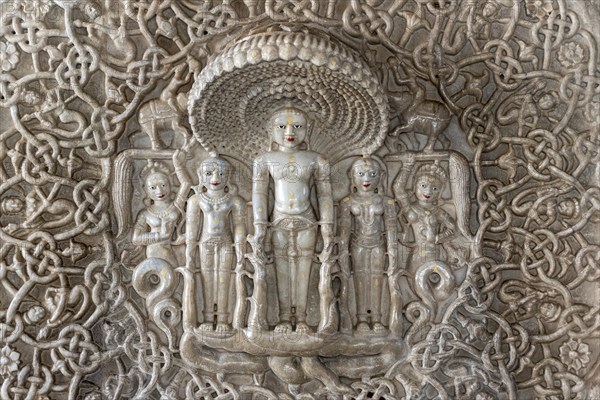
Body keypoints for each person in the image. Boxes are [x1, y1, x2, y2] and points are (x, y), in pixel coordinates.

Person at [252, 105, 333, 334]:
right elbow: (259, 194)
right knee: (282, 269)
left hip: (307, 220)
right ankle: (285, 317)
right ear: (271, 130)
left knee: (304, 269)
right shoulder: (265, 160)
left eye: (298, 126)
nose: (290, 131)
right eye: (282, 126)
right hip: (278, 220)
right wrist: (260, 225)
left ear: (308, 129)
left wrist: (327, 226)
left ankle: (304, 318)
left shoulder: (316, 160)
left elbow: (324, 195)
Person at [185, 155, 246, 332]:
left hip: (226, 243)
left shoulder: (234, 201)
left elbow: (240, 226)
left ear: (228, 177)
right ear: (201, 176)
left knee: (224, 279)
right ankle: (207, 318)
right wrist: (190, 250)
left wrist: (240, 247)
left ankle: (223, 319)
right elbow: (192, 227)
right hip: (205, 244)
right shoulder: (196, 200)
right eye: (210, 174)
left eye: (220, 174)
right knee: (207, 279)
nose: (215, 179)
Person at [338, 157, 398, 332]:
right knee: (360, 279)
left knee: (376, 278)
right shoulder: (348, 202)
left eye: (372, 174)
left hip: (378, 244)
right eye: (361, 174)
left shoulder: (386, 202)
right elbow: (344, 231)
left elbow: (391, 230)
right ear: (353, 177)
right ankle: (362, 319)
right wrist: (342, 253)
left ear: (380, 177)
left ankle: (377, 318)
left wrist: (393, 253)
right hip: (358, 244)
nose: (366, 179)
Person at [393, 157, 456, 277]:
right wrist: (407, 167)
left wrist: (437, 238)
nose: (428, 191)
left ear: (440, 192)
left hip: (435, 255)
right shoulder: (410, 208)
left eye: (435, 188)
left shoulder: (439, 212)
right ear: (415, 186)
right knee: (415, 285)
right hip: (417, 254)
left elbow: (453, 229)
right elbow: (398, 189)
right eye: (423, 185)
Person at [132, 151, 189, 263]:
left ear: (170, 185)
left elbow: (186, 184)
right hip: (154, 252)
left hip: (170, 251)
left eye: (163, 185)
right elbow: (136, 239)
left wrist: (178, 165)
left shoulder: (175, 206)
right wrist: (161, 236)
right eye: (153, 188)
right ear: (146, 191)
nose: (159, 191)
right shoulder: (145, 213)